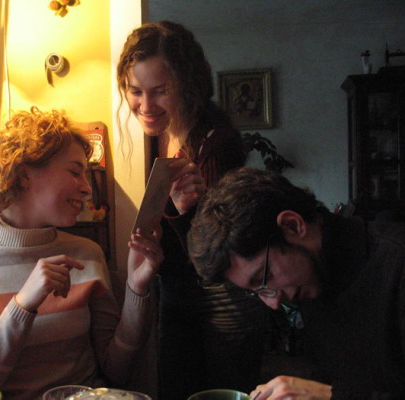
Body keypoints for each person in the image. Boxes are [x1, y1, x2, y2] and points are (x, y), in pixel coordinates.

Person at [0, 107, 163, 400]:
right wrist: (23, 306)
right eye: (75, 172)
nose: (87, 189)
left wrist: (136, 288)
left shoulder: (86, 254)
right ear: (23, 175)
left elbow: (116, 371)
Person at [117, 21, 271, 400]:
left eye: (161, 91)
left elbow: (224, 249)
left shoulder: (215, 142)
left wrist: (188, 212)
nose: (145, 106)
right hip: (175, 290)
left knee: (223, 392)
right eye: (135, 91)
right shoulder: (156, 136)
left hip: (222, 294)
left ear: (188, 85)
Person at [188, 167, 405, 399]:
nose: (273, 303)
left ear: (293, 225)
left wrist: (330, 395)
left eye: (263, 278)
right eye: (254, 292)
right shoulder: (312, 278)